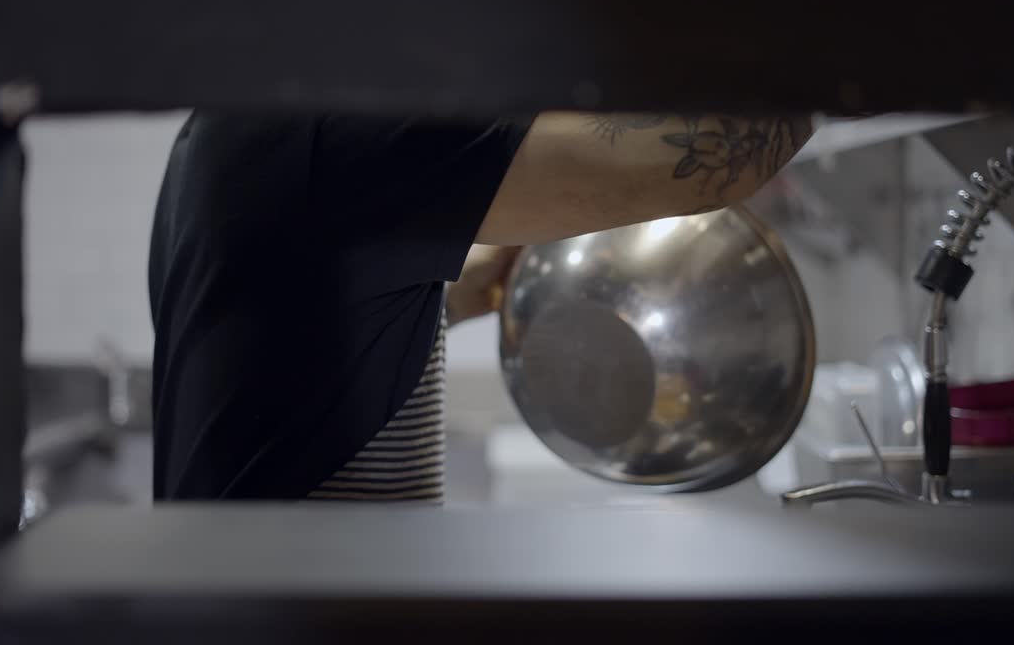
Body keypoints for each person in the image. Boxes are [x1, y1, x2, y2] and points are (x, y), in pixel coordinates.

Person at [148, 112, 813, 501]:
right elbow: (698, 163)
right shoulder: (348, 121)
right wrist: (847, 63)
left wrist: (479, 284)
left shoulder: (232, 128)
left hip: (249, 599)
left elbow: (321, 325)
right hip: (292, 615)